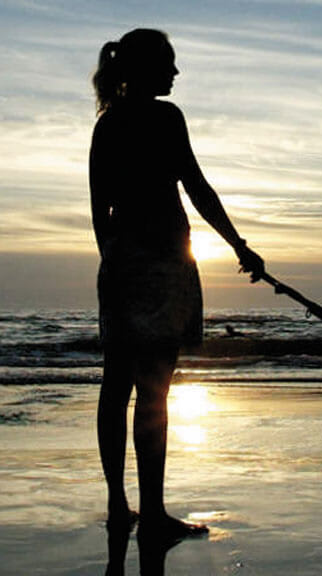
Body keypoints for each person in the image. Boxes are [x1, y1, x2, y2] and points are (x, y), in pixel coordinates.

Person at [90, 28, 264, 536]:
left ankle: (121, 508)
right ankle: (154, 513)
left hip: (124, 263)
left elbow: (99, 209)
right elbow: (198, 189)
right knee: (154, 391)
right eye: (169, 62)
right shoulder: (166, 119)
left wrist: (115, 262)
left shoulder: (107, 124)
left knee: (116, 384)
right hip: (164, 262)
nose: (176, 72)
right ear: (146, 67)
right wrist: (238, 245)